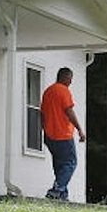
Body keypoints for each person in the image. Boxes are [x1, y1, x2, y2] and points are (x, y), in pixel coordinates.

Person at [41, 66, 83, 201]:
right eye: (70, 78)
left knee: (60, 166)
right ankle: (56, 190)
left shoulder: (48, 91)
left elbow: (42, 114)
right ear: (65, 78)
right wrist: (80, 129)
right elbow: (69, 111)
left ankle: (63, 196)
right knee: (70, 163)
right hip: (63, 135)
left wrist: (45, 130)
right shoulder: (63, 91)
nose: (71, 81)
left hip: (50, 136)